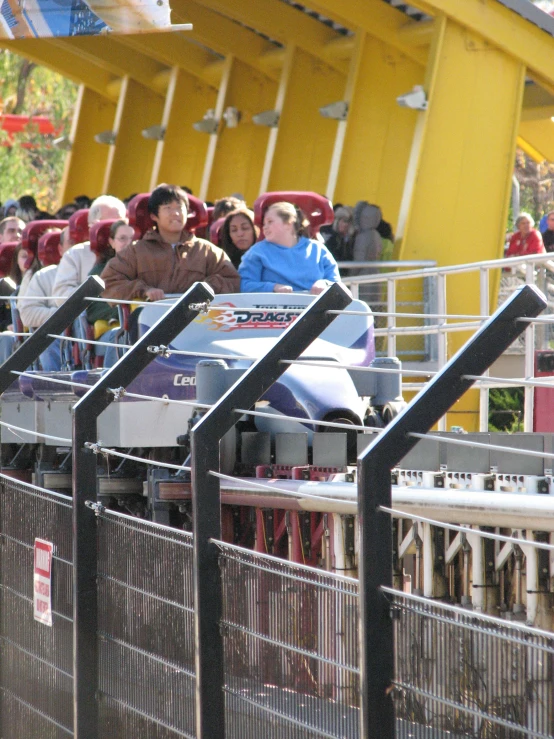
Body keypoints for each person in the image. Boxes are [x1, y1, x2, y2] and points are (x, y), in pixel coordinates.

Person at [101, 184, 240, 302]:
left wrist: (206, 288)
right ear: (154, 216)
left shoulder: (207, 250)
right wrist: (143, 290)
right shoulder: (136, 252)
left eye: (180, 207)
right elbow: (108, 282)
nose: (176, 213)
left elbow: (232, 281)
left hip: (198, 321)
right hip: (147, 323)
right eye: (168, 208)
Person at [239, 201, 340, 294]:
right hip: (272, 310)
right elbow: (244, 284)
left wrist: (325, 284)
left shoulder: (318, 249)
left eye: (270, 222)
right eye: (264, 223)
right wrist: (273, 287)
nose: (264, 227)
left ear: (288, 224)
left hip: (315, 309)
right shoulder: (256, 252)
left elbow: (336, 283)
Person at [53, 194, 126, 305]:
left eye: (121, 223)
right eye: (110, 225)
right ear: (92, 227)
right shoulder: (75, 254)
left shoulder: (135, 250)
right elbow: (61, 295)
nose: (118, 230)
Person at [19, 228, 73, 371]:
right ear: (60, 249)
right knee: (47, 338)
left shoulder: (105, 271)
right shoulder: (44, 276)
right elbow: (27, 313)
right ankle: (55, 389)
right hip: (60, 333)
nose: (79, 248)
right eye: (72, 242)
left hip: (97, 332)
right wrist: (65, 315)